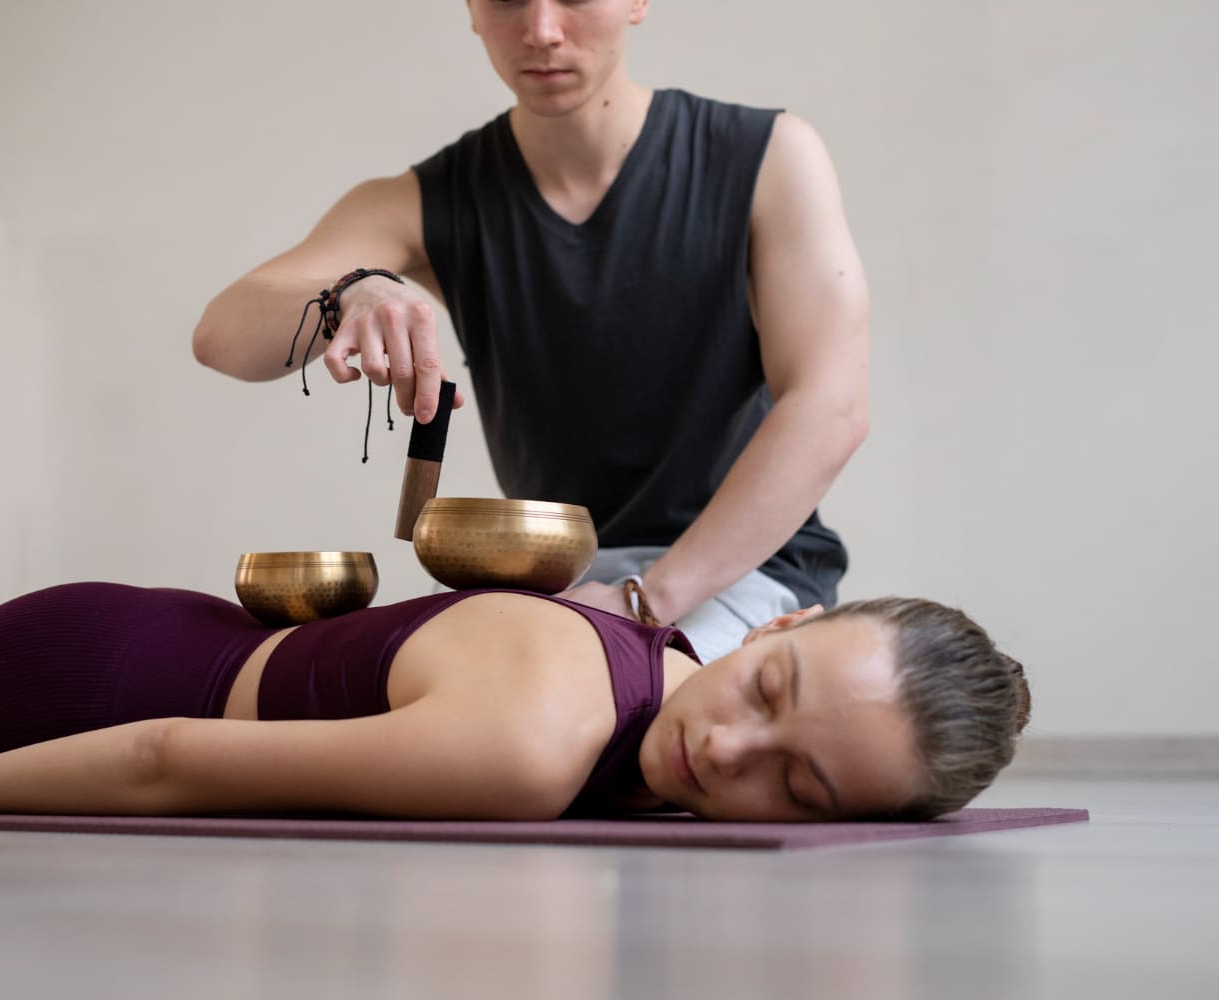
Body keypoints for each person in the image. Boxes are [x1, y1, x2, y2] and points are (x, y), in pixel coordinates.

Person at [192, 0, 871, 661]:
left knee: (601, 715)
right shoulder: (427, 200)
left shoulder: (770, 158)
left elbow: (831, 407)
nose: (541, 30)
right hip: (552, 578)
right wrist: (351, 291)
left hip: (742, 571)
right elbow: (222, 336)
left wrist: (644, 601)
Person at [0, 583, 1029, 821]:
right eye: (770, 685)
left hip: (151, 642)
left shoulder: (657, 664)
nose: (726, 746)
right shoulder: (537, 743)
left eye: (792, 786)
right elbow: (172, 762)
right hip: (84, 684)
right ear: (784, 620)